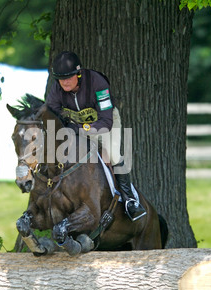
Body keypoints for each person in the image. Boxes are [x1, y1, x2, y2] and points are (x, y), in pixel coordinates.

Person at [46, 51, 146, 221]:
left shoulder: (97, 83)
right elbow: (51, 114)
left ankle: (130, 200)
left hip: (105, 124)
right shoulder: (57, 88)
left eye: (69, 77)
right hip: (77, 127)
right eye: (61, 78)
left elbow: (106, 122)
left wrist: (79, 129)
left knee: (112, 155)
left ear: (78, 73)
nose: (65, 82)